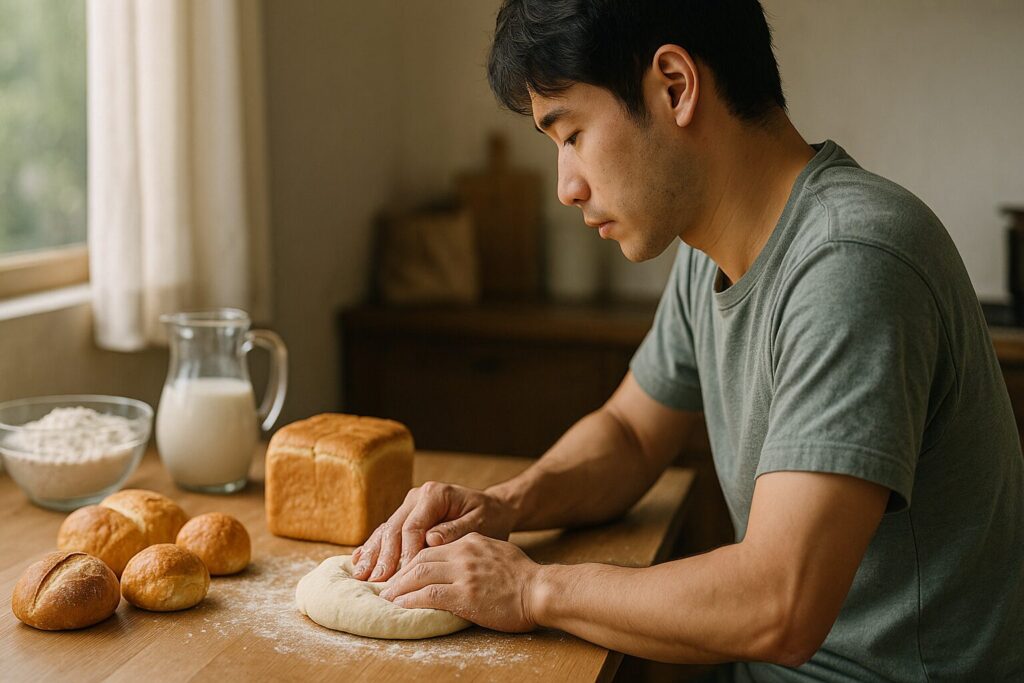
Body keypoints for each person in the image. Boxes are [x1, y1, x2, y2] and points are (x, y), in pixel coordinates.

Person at [354, 1, 1024, 679]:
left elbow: (779, 602)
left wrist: (531, 588)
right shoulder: (708, 254)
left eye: (572, 133)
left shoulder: (852, 260)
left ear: (674, 86)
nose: (566, 185)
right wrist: (506, 504)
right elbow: (630, 433)